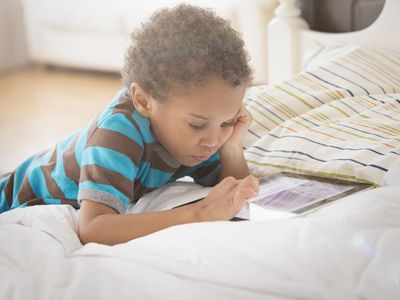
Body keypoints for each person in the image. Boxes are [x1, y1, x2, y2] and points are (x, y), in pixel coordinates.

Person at [0, 4, 259, 245]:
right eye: (196, 125)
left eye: (227, 121)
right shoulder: (117, 135)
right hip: (13, 197)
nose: (213, 140)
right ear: (143, 100)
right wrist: (199, 213)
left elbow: (229, 189)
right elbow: (93, 229)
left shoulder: (202, 136)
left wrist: (232, 148)